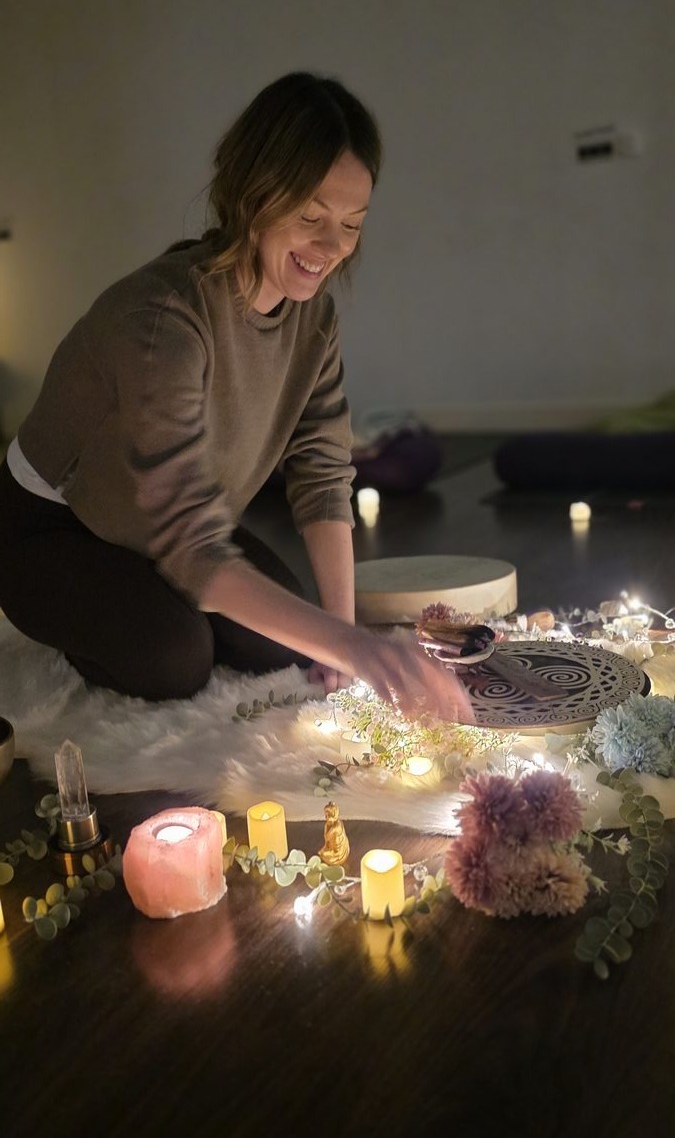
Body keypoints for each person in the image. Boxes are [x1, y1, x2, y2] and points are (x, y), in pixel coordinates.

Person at [0, 72, 473, 725]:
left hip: (168, 528)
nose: (332, 247)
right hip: (53, 527)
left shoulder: (314, 323)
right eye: (310, 217)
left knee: (287, 639)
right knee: (173, 659)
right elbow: (191, 542)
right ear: (252, 196)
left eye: (351, 223)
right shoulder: (164, 318)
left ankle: (165, 599)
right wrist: (357, 647)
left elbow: (322, 473)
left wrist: (342, 633)